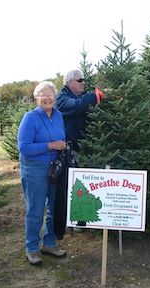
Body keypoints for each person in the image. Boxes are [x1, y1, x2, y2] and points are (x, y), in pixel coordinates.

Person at [18, 81, 67, 266]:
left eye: (50, 94)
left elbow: (62, 136)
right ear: (36, 98)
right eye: (42, 94)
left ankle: (50, 243)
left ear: (55, 97)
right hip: (34, 169)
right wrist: (51, 145)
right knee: (36, 210)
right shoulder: (30, 118)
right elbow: (24, 148)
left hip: (55, 168)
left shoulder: (59, 115)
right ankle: (31, 248)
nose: (47, 97)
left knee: (55, 207)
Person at [55, 69, 106, 231]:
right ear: (69, 82)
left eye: (84, 80)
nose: (84, 82)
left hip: (83, 147)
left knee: (83, 182)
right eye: (80, 80)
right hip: (69, 150)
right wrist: (95, 96)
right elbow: (77, 106)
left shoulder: (77, 97)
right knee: (72, 184)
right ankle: (74, 221)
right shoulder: (62, 100)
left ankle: (83, 217)